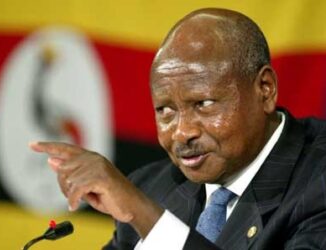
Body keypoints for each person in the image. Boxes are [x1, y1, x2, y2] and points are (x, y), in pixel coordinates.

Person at [30, 8, 326, 250]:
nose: (182, 132)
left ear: (265, 89)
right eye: (165, 111)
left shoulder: (318, 183)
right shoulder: (154, 187)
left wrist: (145, 216)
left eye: (204, 103)